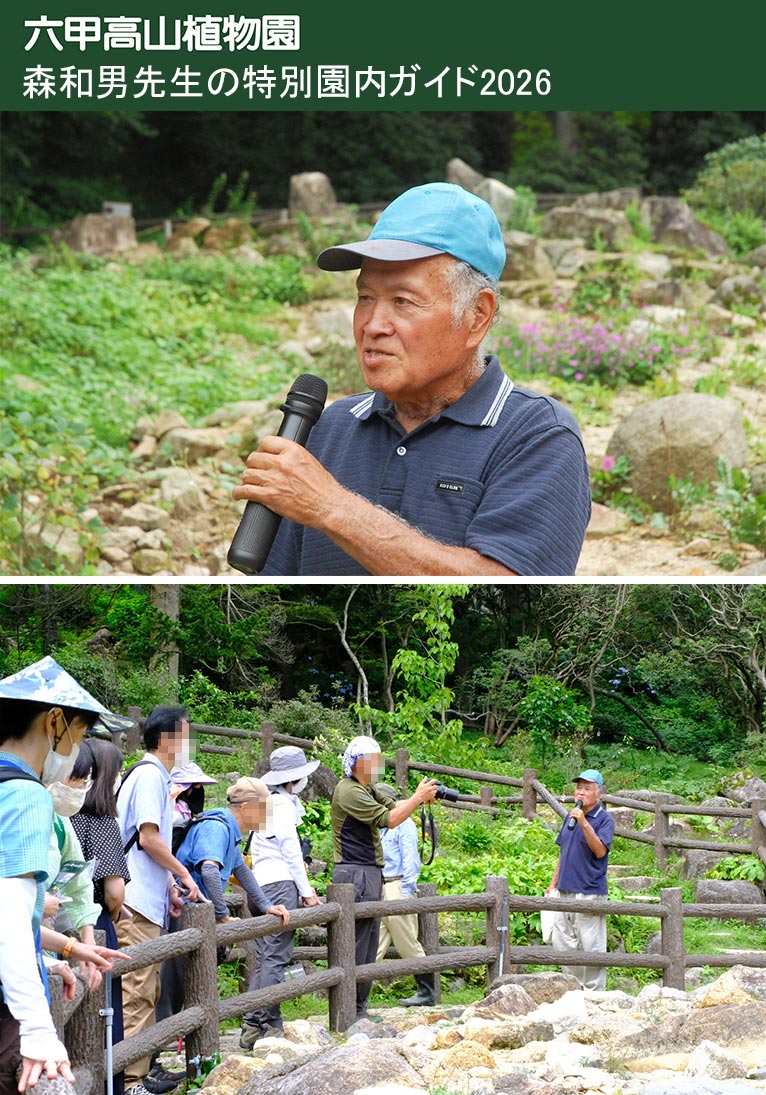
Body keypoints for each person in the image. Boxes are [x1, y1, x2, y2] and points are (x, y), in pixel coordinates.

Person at [233, 182, 591, 578]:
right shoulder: (330, 428)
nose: (373, 325)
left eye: (402, 301)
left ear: (477, 316)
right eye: (365, 298)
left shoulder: (538, 436)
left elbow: (508, 593)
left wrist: (331, 508)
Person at [0, 656, 131, 1095]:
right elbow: (8, 917)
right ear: (54, 721)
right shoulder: (24, 795)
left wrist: (64, 951)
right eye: (79, 733)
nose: (77, 748)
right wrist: (37, 1028)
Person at [115, 706, 206, 1095]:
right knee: (137, 990)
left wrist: (168, 884)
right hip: (134, 899)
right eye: (186, 736)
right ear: (168, 739)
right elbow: (149, 838)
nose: (190, 745)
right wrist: (183, 874)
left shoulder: (152, 774)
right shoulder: (151, 775)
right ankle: (130, 1080)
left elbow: (147, 841)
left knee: (147, 988)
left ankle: (142, 1068)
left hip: (145, 896)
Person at [330, 735, 439, 1018]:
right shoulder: (349, 791)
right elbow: (390, 819)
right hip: (356, 871)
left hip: (369, 873)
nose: (379, 765)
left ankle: (358, 1009)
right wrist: (417, 799)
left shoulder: (365, 788)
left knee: (368, 946)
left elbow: (392, 806)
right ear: (359, 763)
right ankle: (349, 1009)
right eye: (374, 760)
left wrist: (420, 797)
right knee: (357, 944)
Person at [239, 746, 320, 1048]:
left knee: (264, 957)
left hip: (260, 885)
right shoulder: (283, 807)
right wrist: (307, 892)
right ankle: (261, 1021)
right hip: (279, 884)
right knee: (276, 957)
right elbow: (290, 851)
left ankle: (259, 1022)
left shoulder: (266, 804)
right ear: (294, 779)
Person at [70, 738, 131, 1095]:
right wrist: (111, 912)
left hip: (59, 925)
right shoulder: (102, 822)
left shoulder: (64, 816)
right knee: (104, 1011)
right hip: (94, 924)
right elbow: (114, 891)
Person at [175, 776, 290, 937]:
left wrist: (266, 905)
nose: (267, 815)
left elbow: (241, 870)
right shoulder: (217, 828)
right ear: (245, 807)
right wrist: (222, 915)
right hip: (184, 913)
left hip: (198, 913)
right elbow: (209, 870)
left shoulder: (228, 829)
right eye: (264, 809)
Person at [545, 768, 614, 992]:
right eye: (578, 788)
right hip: (564, 890)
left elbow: (600, 851)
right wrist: (553, 884)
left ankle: (595, 997)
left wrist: (584, 822)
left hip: (589, 892)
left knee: (591, 949)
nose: (581, 793)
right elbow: (563, 852)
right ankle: (574, 989)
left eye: (587, 789)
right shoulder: (570, 816)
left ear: (598, 794)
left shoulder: (604, 820)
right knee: (563, 945)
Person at [373, 784, 434, 1007]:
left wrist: (407, 892)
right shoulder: (379, 826)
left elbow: (411, 860)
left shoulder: (404, 824)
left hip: (397, 886)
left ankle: (427, 991)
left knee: (407, 942)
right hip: (380, 886)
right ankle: (356, 997)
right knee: (374, 947)